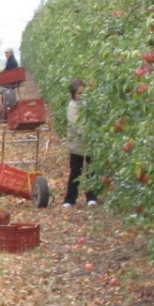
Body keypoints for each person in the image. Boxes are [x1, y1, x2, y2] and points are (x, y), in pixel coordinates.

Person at [63, 78, 95, 208]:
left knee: (91, 171)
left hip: (89, 144)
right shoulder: (72, 106)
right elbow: (78, 125)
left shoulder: (90, 104)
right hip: (77, 145)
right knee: (76, 172)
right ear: (73, 94)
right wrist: (92, 134)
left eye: (83, 92)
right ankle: (69, 200)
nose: (82, 95)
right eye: (79, 93)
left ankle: (91, 197)